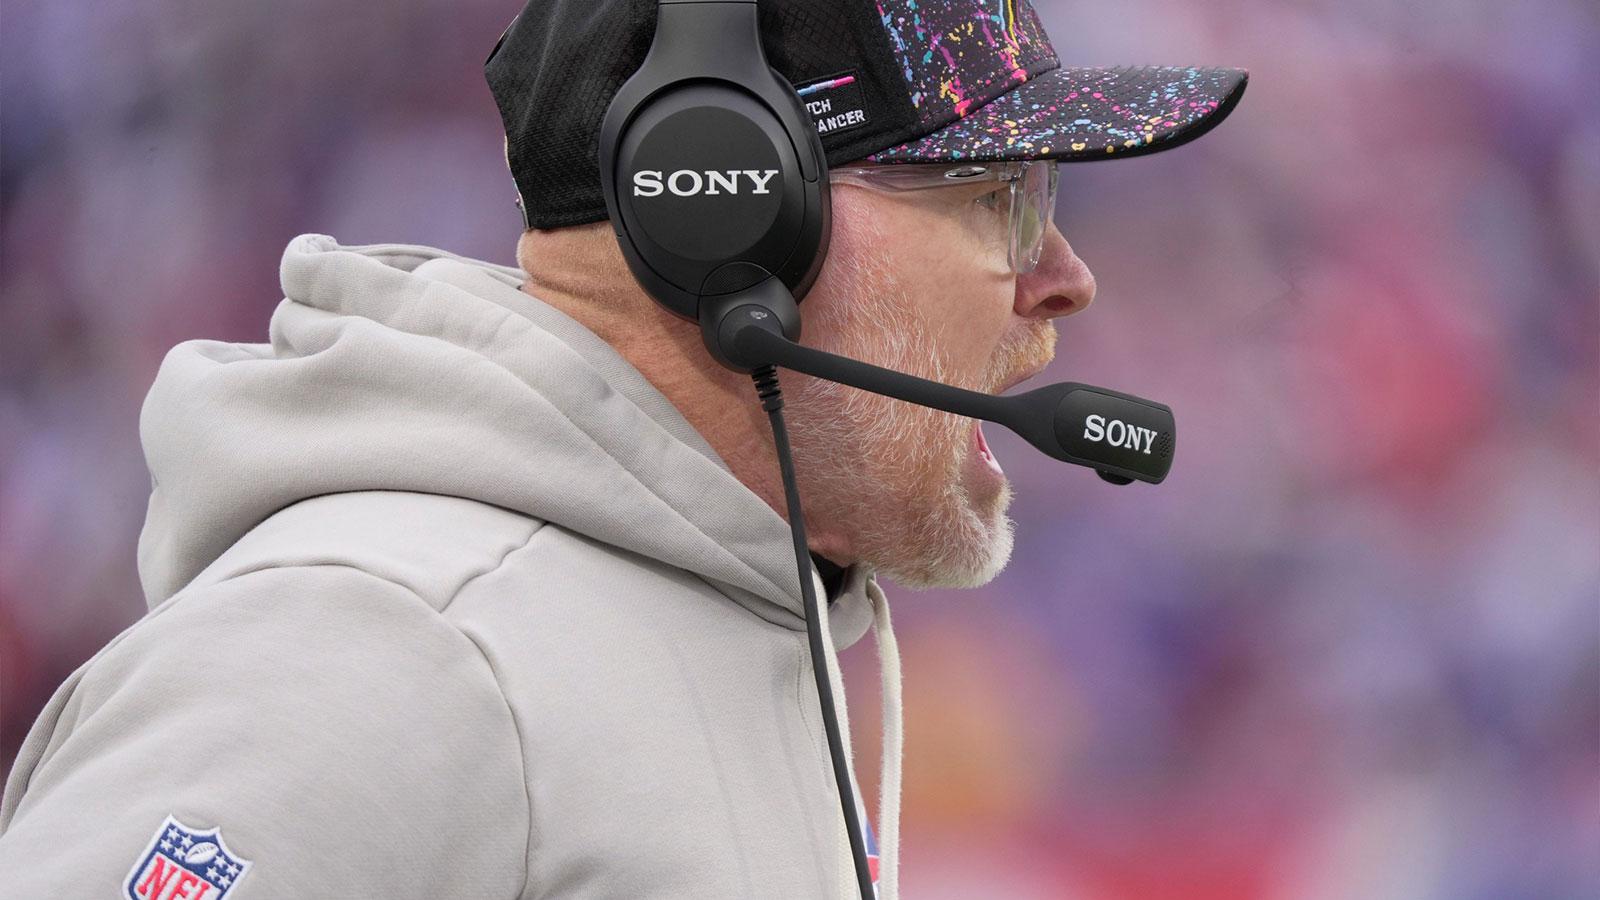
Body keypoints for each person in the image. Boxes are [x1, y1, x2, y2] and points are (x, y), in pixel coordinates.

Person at [0, 1, 1245, 896]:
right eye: (998, 199)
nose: (1064, 280)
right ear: (730, 210)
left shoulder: (708, 633)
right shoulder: (388, 656)